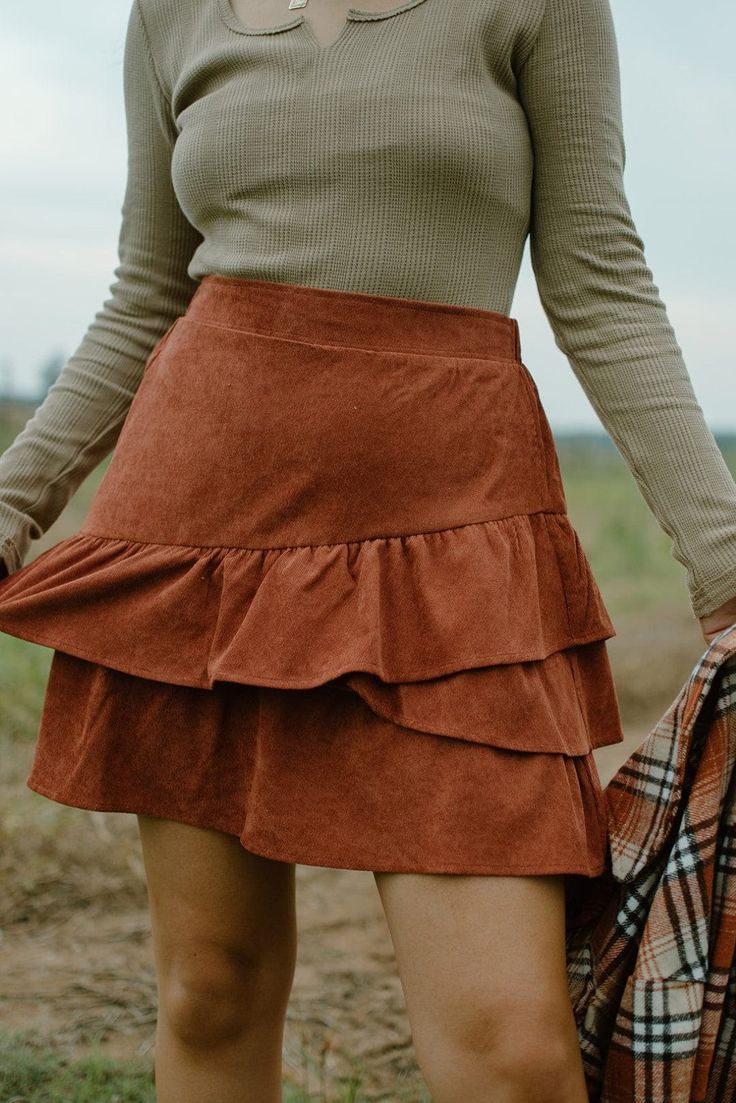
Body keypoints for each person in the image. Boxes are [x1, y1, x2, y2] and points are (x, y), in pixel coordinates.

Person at [0, 1, 735, 1100]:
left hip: (456, 543)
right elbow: (147, 290)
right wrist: (13, 502)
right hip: (202, 534)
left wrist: (723, 558)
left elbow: (597, 273)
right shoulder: (172, 14)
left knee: (508, 1047)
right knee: (211, 986)